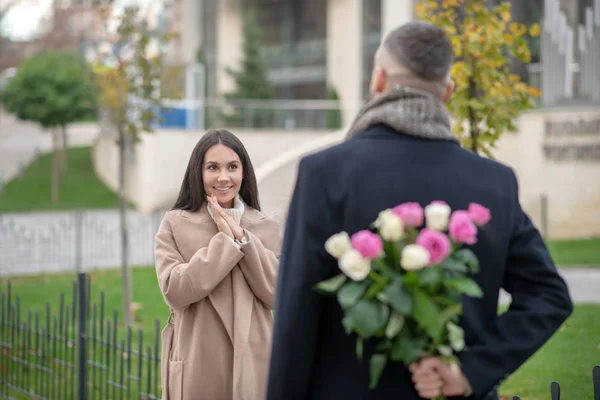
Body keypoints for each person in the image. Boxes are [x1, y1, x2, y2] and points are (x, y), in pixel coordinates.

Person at [266, 21, 573, 400]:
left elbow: (295, 318)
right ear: (448, 92)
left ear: (377, 80)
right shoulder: (493, 184)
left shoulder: (325, 174)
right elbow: (549, 296)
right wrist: (470, 372)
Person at [154, 129, 281, 400]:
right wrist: (224, 241)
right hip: (197, 365)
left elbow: (277, 293)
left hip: (255, 364)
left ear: (244, 172)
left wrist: (243, 238)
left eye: (232, 167)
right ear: (198, 173)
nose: (224, 177)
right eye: (213, 167)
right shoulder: (175, 224)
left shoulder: (267, 226)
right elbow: (174, 290)